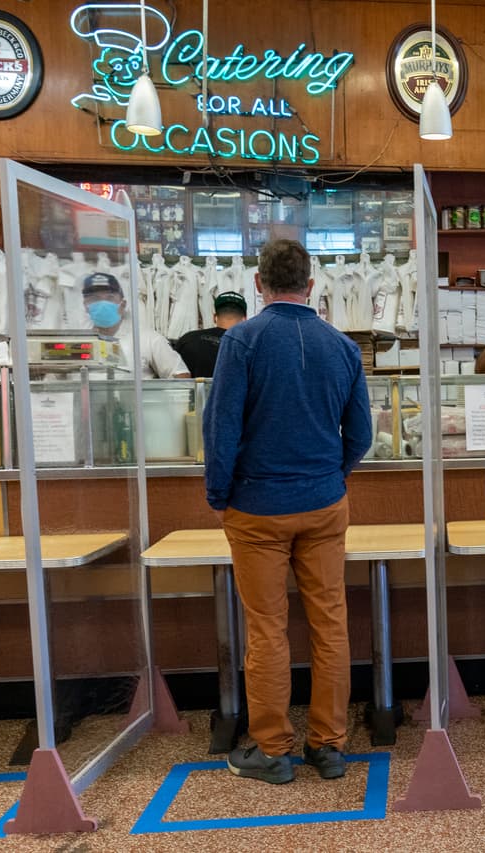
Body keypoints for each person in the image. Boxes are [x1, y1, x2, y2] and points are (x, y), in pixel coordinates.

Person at [204, 239, 372, 785]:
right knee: (330, 623)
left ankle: (272, 749)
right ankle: (329, 746)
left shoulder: (242, 341)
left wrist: (218, 494)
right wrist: (331, 473)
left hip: (256, 507)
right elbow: (362, 434)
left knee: (268, 629)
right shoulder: (343, 346)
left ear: (259, 284)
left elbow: (222, 427)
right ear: (313, 283)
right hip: (324, 503)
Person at [82, 272, 190, 378]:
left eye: (110, 298)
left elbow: (180, 375)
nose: (102, 305)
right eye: (95, 298)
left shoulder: (148, 339)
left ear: (123, 304)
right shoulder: (79, 341)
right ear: (85, 306)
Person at [174, 291, 249, 378]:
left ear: (214, 317)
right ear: (245, 319)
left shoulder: (188, 339)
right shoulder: (250, 346)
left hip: (196, 391)